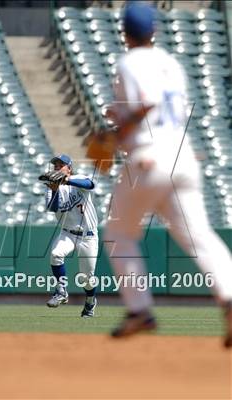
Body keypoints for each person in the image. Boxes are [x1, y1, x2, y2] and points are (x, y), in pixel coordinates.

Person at [103, 2, 232, 347]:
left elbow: (145, 104)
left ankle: (140, 309)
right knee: (200, 236)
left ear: (125, 32)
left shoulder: (129, 61)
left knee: (117, 232)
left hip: (149, 157)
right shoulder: (171, 63)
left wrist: (114, 136)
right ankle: (230, 297)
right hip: (183, 155)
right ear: (155, 30)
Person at [45, 154, 98, 317]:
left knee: (86, 279)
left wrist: (67, 180)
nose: (57, 167)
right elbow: (53, 208)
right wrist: (54, 191)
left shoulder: (78, 178)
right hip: (67, 233)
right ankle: (61, 291)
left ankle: (90, 301)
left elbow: (90, 184)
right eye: (55, 165)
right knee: (55, 254)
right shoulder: (52, 186)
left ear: (69, 168)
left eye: (61, 165)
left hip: (88, 236)